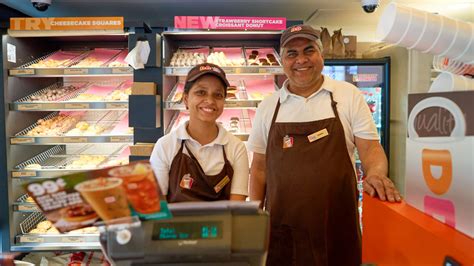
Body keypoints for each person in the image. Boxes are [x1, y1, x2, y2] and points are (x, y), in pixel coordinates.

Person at [247, 25, 402, 265]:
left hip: (338, 228)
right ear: (282, 60)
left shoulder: (348, 96)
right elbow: (258, 168)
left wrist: (377, 174)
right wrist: (254, 218)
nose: (301, 60)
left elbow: (371, 149)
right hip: (283, 231)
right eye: (292, 53)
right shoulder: (268, 107)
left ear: (321, 54)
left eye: (309, 50)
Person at [150, 63, 248, 202]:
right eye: (201, 92)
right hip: (175, 224)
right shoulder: (165, 146)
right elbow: (158, 206)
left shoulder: (236, 148)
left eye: (218, 95)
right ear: (185, 99)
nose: (210, 101)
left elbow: (237, 209)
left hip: (224, 224)